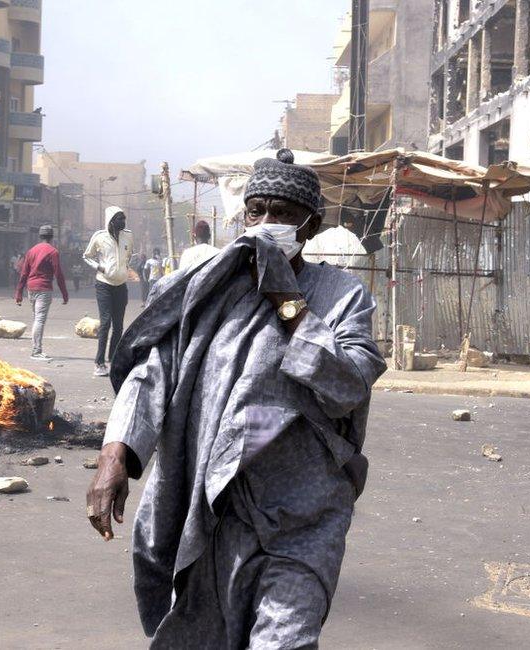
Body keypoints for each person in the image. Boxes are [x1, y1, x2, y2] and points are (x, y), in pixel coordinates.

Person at [86, 149, 387, 648]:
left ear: (309, 227)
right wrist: (115, 455)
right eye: (257, 211)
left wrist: (285, 299)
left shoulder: (342, 296)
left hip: (301, 514)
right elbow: (151, 374)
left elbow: (348, 384)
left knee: (284, 641)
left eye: (283, 215)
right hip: (212, 506)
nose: (266, 224)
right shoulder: (205, 290)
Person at [83, 206, 133, 377]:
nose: (122, 221)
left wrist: (125, 269)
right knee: (105, 323)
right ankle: (99, 362)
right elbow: (86, 256)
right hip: (104, 284)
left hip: (121, 285)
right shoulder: (99, 237)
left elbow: (129, 254)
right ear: (111, 221)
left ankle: (113, 359)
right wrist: (100, 267)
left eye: (123, 218)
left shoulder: (129, 236)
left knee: (119, 325)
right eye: (119, 218)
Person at [16, 224, 69, 361]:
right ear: (52, 237)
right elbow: (59, 274)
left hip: (31, 288)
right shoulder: (53, 252)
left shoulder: (31, 251)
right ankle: (36, 351)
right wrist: (64, 293)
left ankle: (36, 348)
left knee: (36, 319)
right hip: (44, 289)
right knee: (39, 320)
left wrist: (19, 293)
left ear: (40, 236)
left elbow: (24, 273)